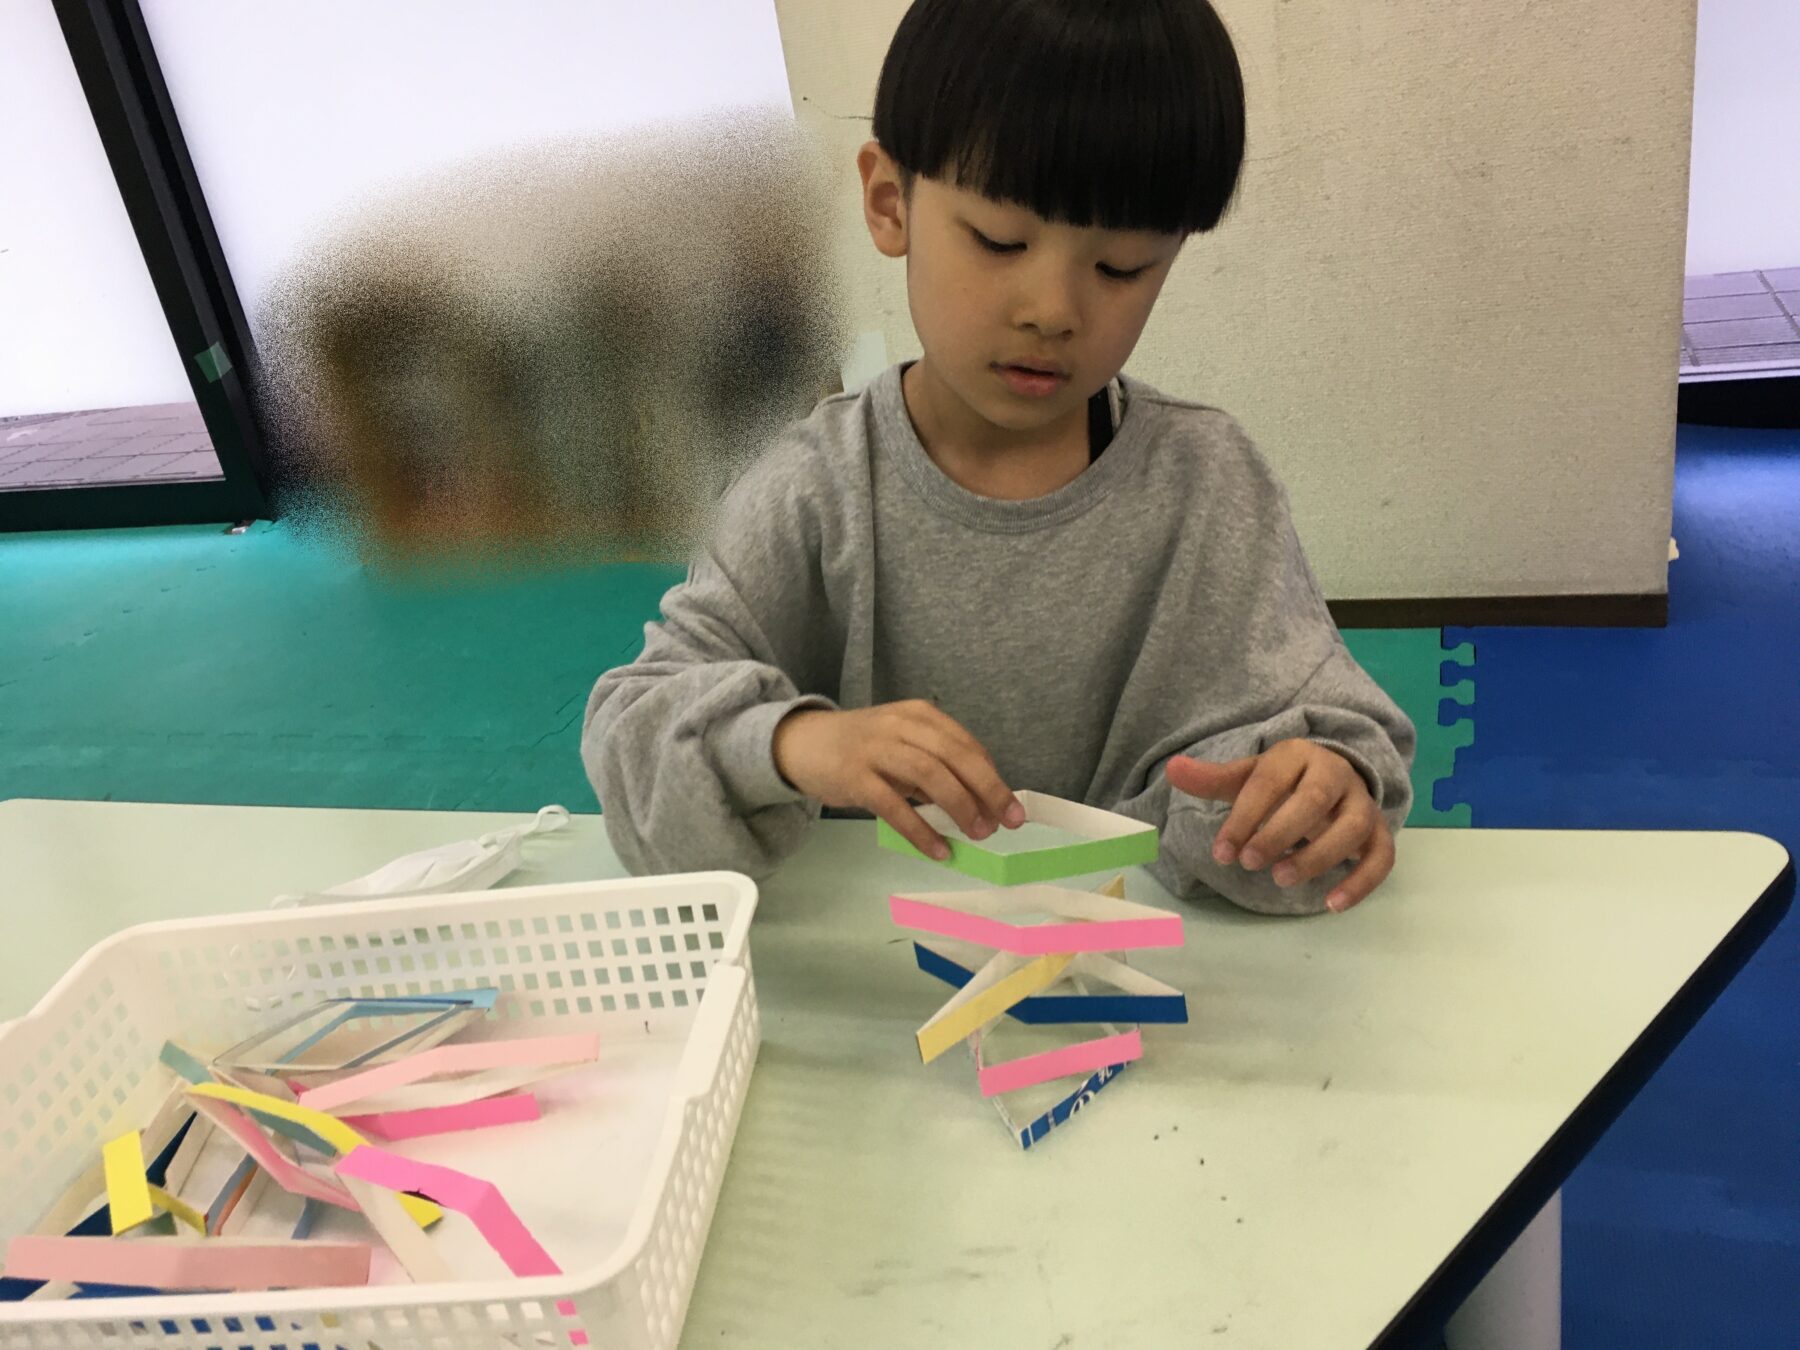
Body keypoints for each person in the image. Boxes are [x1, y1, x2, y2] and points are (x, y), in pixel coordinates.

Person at [582, 0, 1416, 916]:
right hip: (873, 968)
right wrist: (794, 745)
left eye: (1121, 267)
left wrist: (1319, 784)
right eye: (1000, 241)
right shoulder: (811, 491)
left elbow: (1338, 736)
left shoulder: (1207, 485)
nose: (1052, 310)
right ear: (890, 203)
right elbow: (638, 739)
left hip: (1143, 963)